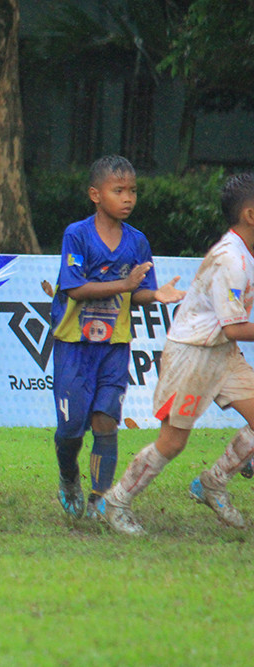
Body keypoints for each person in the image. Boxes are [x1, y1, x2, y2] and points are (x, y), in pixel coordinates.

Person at [98, 173, 254, 535]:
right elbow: (233, 327)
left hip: (221, 352)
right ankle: (115, 500)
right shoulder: (231, 260)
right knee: (173, 441)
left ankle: (212, 482)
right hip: (193, 355)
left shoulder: (244, 251)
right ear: (249, 215)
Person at [51, 155, 185, 520]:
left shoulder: (137, 241)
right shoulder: (76, 234)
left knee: (106, 421)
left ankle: (99, 498)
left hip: (114, 345)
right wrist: (125, 285)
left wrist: (153, 295)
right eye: (118, 190)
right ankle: (68, 477)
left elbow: (137, 292)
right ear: (96, 194)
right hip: (74, 345)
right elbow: (75, 289)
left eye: (133, 191)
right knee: (70, 430)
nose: (128, 198)